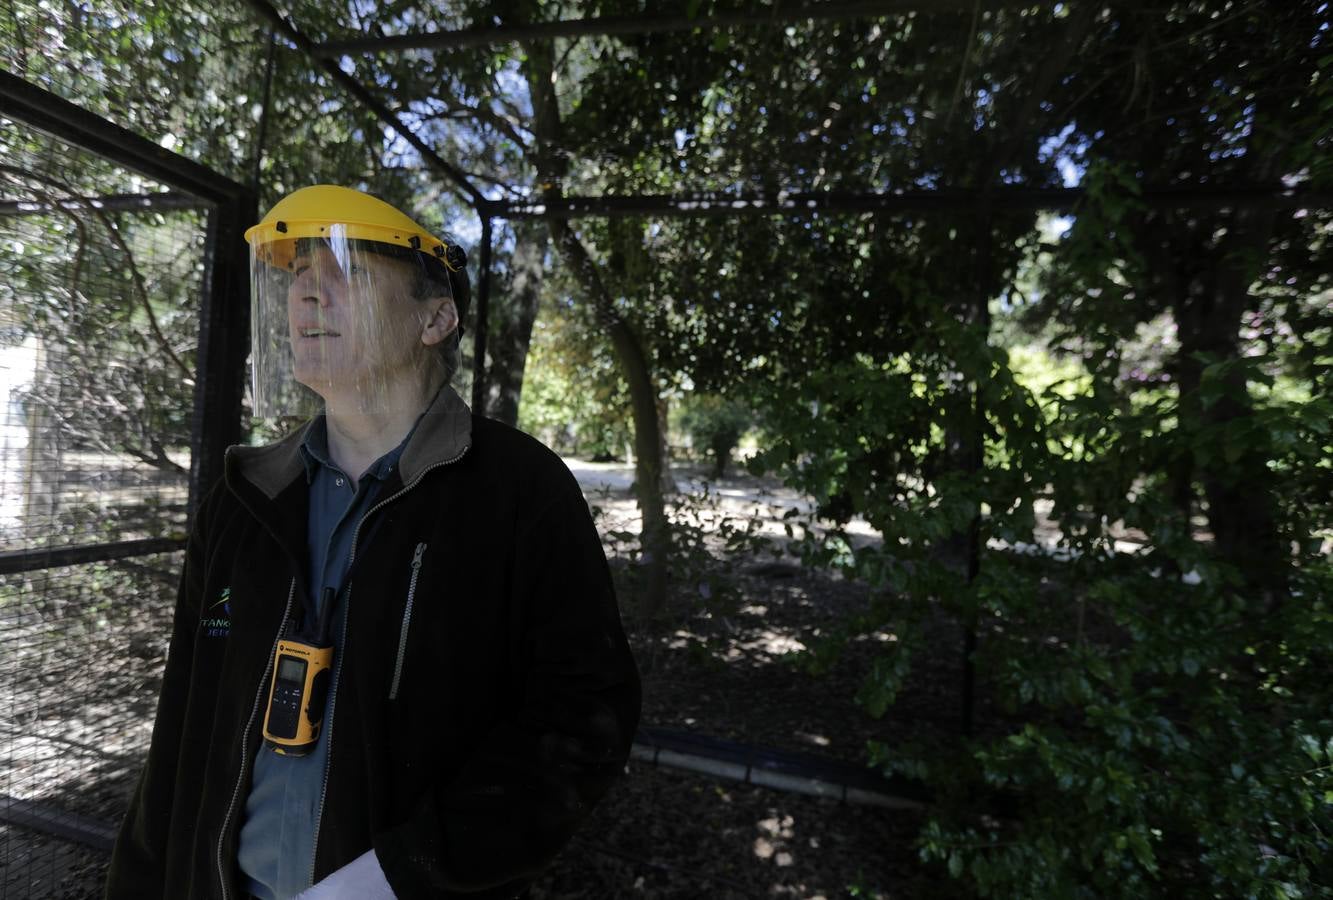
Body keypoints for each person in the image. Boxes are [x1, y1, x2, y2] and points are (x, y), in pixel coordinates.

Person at [105, 185, 641, 899]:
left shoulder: (518, 491)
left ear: (435, 317)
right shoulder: (243, 499)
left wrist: (395, 878)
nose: (306, 296)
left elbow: (582, 723)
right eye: (297, 277)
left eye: (344, 272)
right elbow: (182, 726)